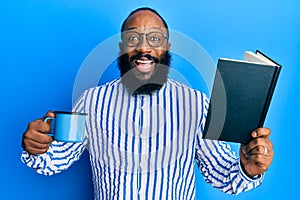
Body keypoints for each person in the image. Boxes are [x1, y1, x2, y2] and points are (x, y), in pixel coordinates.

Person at [21, 7, 274, 200]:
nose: (143, 48)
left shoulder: (196, 104)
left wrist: (248, 167)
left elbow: (223, 175)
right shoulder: (91, 102)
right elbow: (56, 160)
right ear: (122, 48)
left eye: (154, 39)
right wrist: (37, 147)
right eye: (133, 39)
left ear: (167, 47)